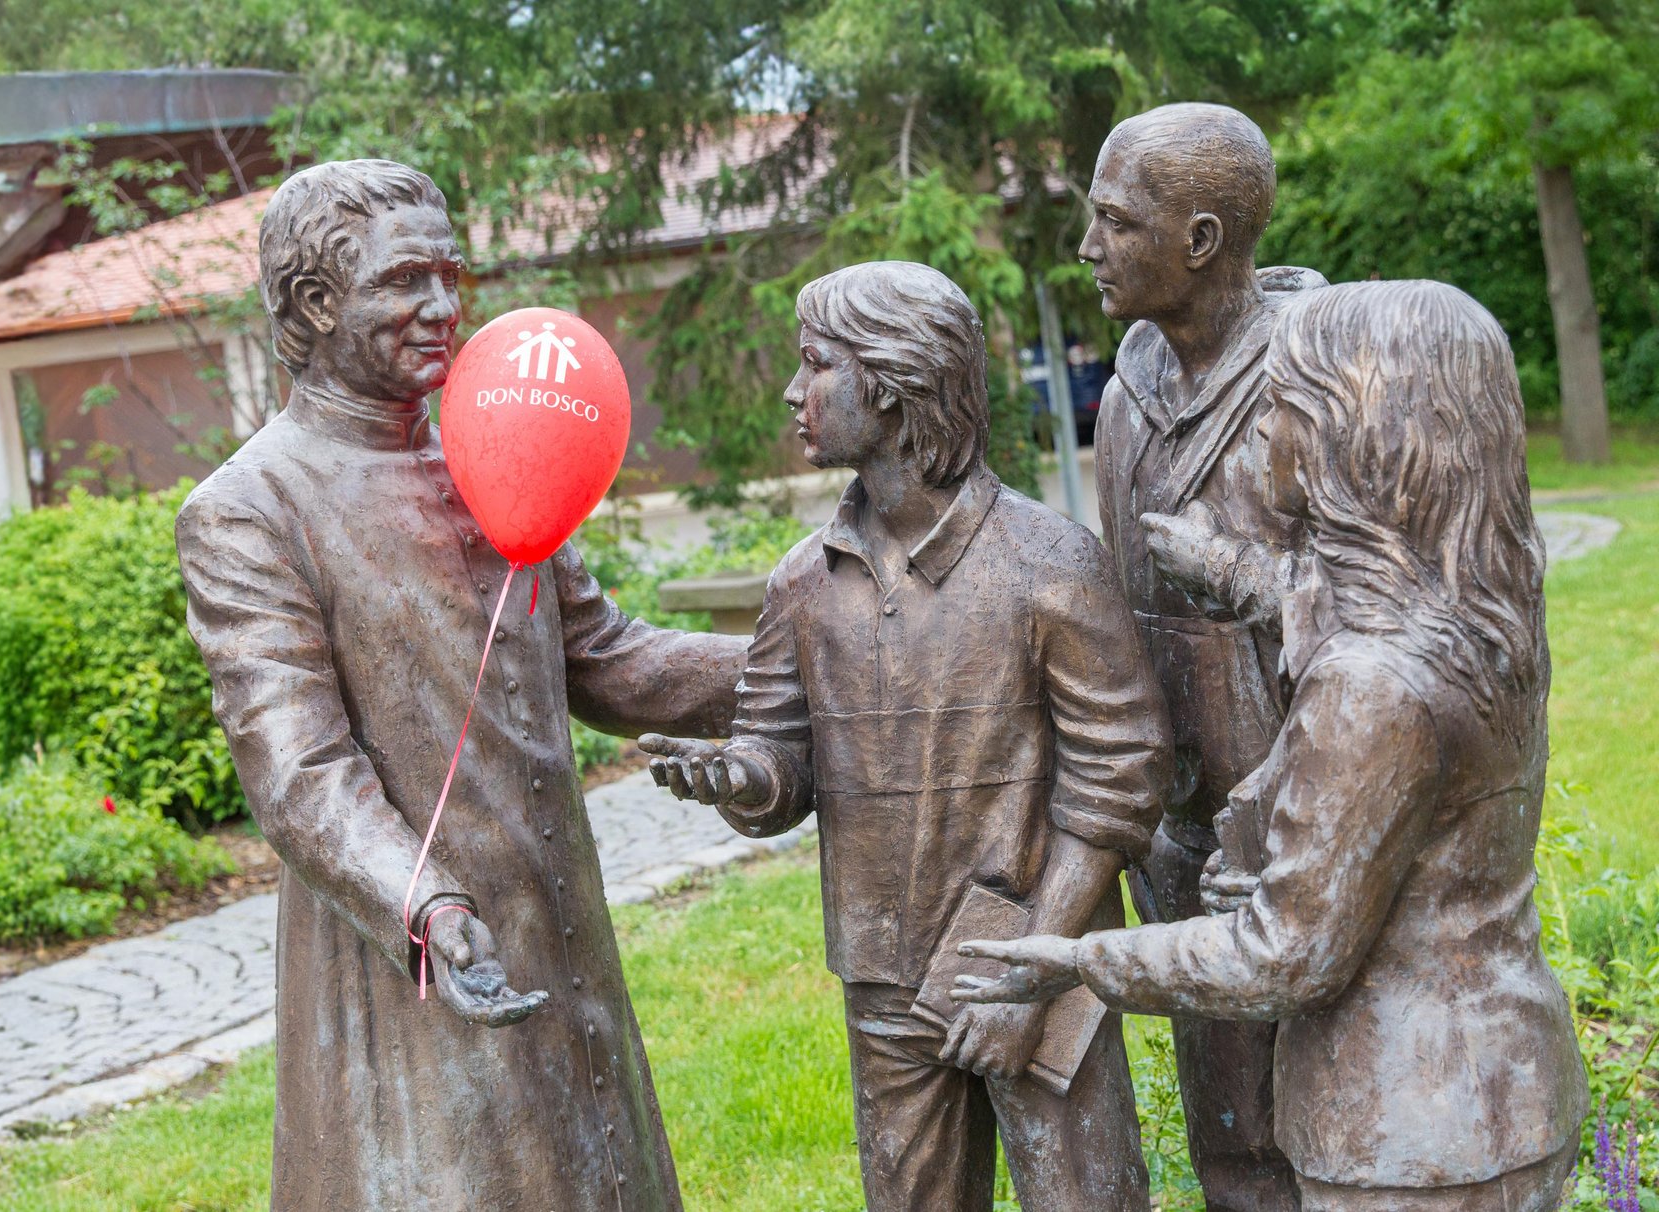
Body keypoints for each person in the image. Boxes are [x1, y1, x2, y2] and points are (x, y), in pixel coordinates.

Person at [174, 159, 747, 1211]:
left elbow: (604, 656)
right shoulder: (249, 509)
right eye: (406, 282)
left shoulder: (493, 454)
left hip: (556, 927)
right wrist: (423, 902)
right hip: (413, 960)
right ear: (314, 302)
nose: (444, 309)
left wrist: (801, 665)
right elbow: (298, 768)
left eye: (451, 275)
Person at [956, 280, 1591, 1212]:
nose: (1261, 438)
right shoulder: (1486, 605)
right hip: (1506, 1080)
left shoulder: (1369, 687)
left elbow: (1286, 957)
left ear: (1359, 436)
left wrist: (1075, 960)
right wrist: (1238, 577)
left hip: (1405, 1133)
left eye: (1283, 407)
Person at [639, 261, 1166, 1212]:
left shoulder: (1049, 564)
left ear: (886, 382)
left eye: (815, 365)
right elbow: (778, 752)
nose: (794, 392)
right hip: (884, 971)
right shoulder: (804, 581)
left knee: (1089, 1197)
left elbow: (1121, 783)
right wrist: (739, 776)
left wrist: (1035, 969)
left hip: (1034, 947)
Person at [1081, 100, 1329, 1211]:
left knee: (1329, 1114)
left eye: (1113, 223)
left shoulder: (1319, 377)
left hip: (1315, 823)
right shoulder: (1131, 382)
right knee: (1225, 1120)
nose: (1087, 249)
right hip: (1179, 821)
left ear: (1198, 242)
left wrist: (1239, 570)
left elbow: (1396, 611)